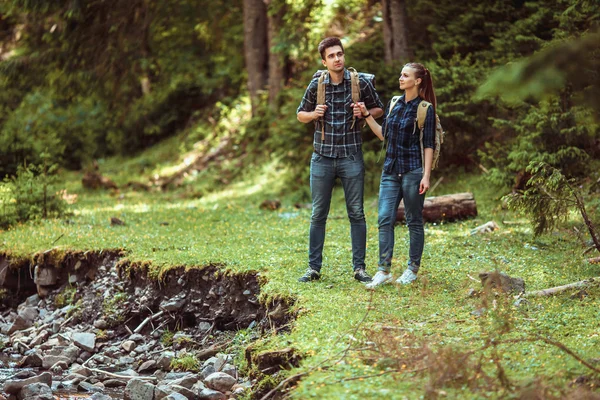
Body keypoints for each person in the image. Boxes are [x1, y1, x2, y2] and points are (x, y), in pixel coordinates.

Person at [296, 37, 384, 283]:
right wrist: (314, 114)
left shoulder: (359, 82)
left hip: (351, 156)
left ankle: (359, 269)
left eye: (340, 54)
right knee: (318, 214)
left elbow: (379, 109)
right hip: (322, 158)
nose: (337, 59)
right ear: (324, 61)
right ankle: (313, 268)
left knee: (356, 213)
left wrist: (364, 112)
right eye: (332, 56)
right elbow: (300, 114)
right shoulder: (317, 85)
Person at [356, 62, 436, 288]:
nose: (400, 78)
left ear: (417, 81)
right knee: (384, 219)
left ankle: (412, 269)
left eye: (405, 75)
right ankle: (383, 270)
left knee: (413, 221)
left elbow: (429, 144)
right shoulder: (394, 103)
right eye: (401, 74)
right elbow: (384, 135)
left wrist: (426, 175)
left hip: (413, 172)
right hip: (390, 171)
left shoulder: (425, 109)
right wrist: (366, 116)